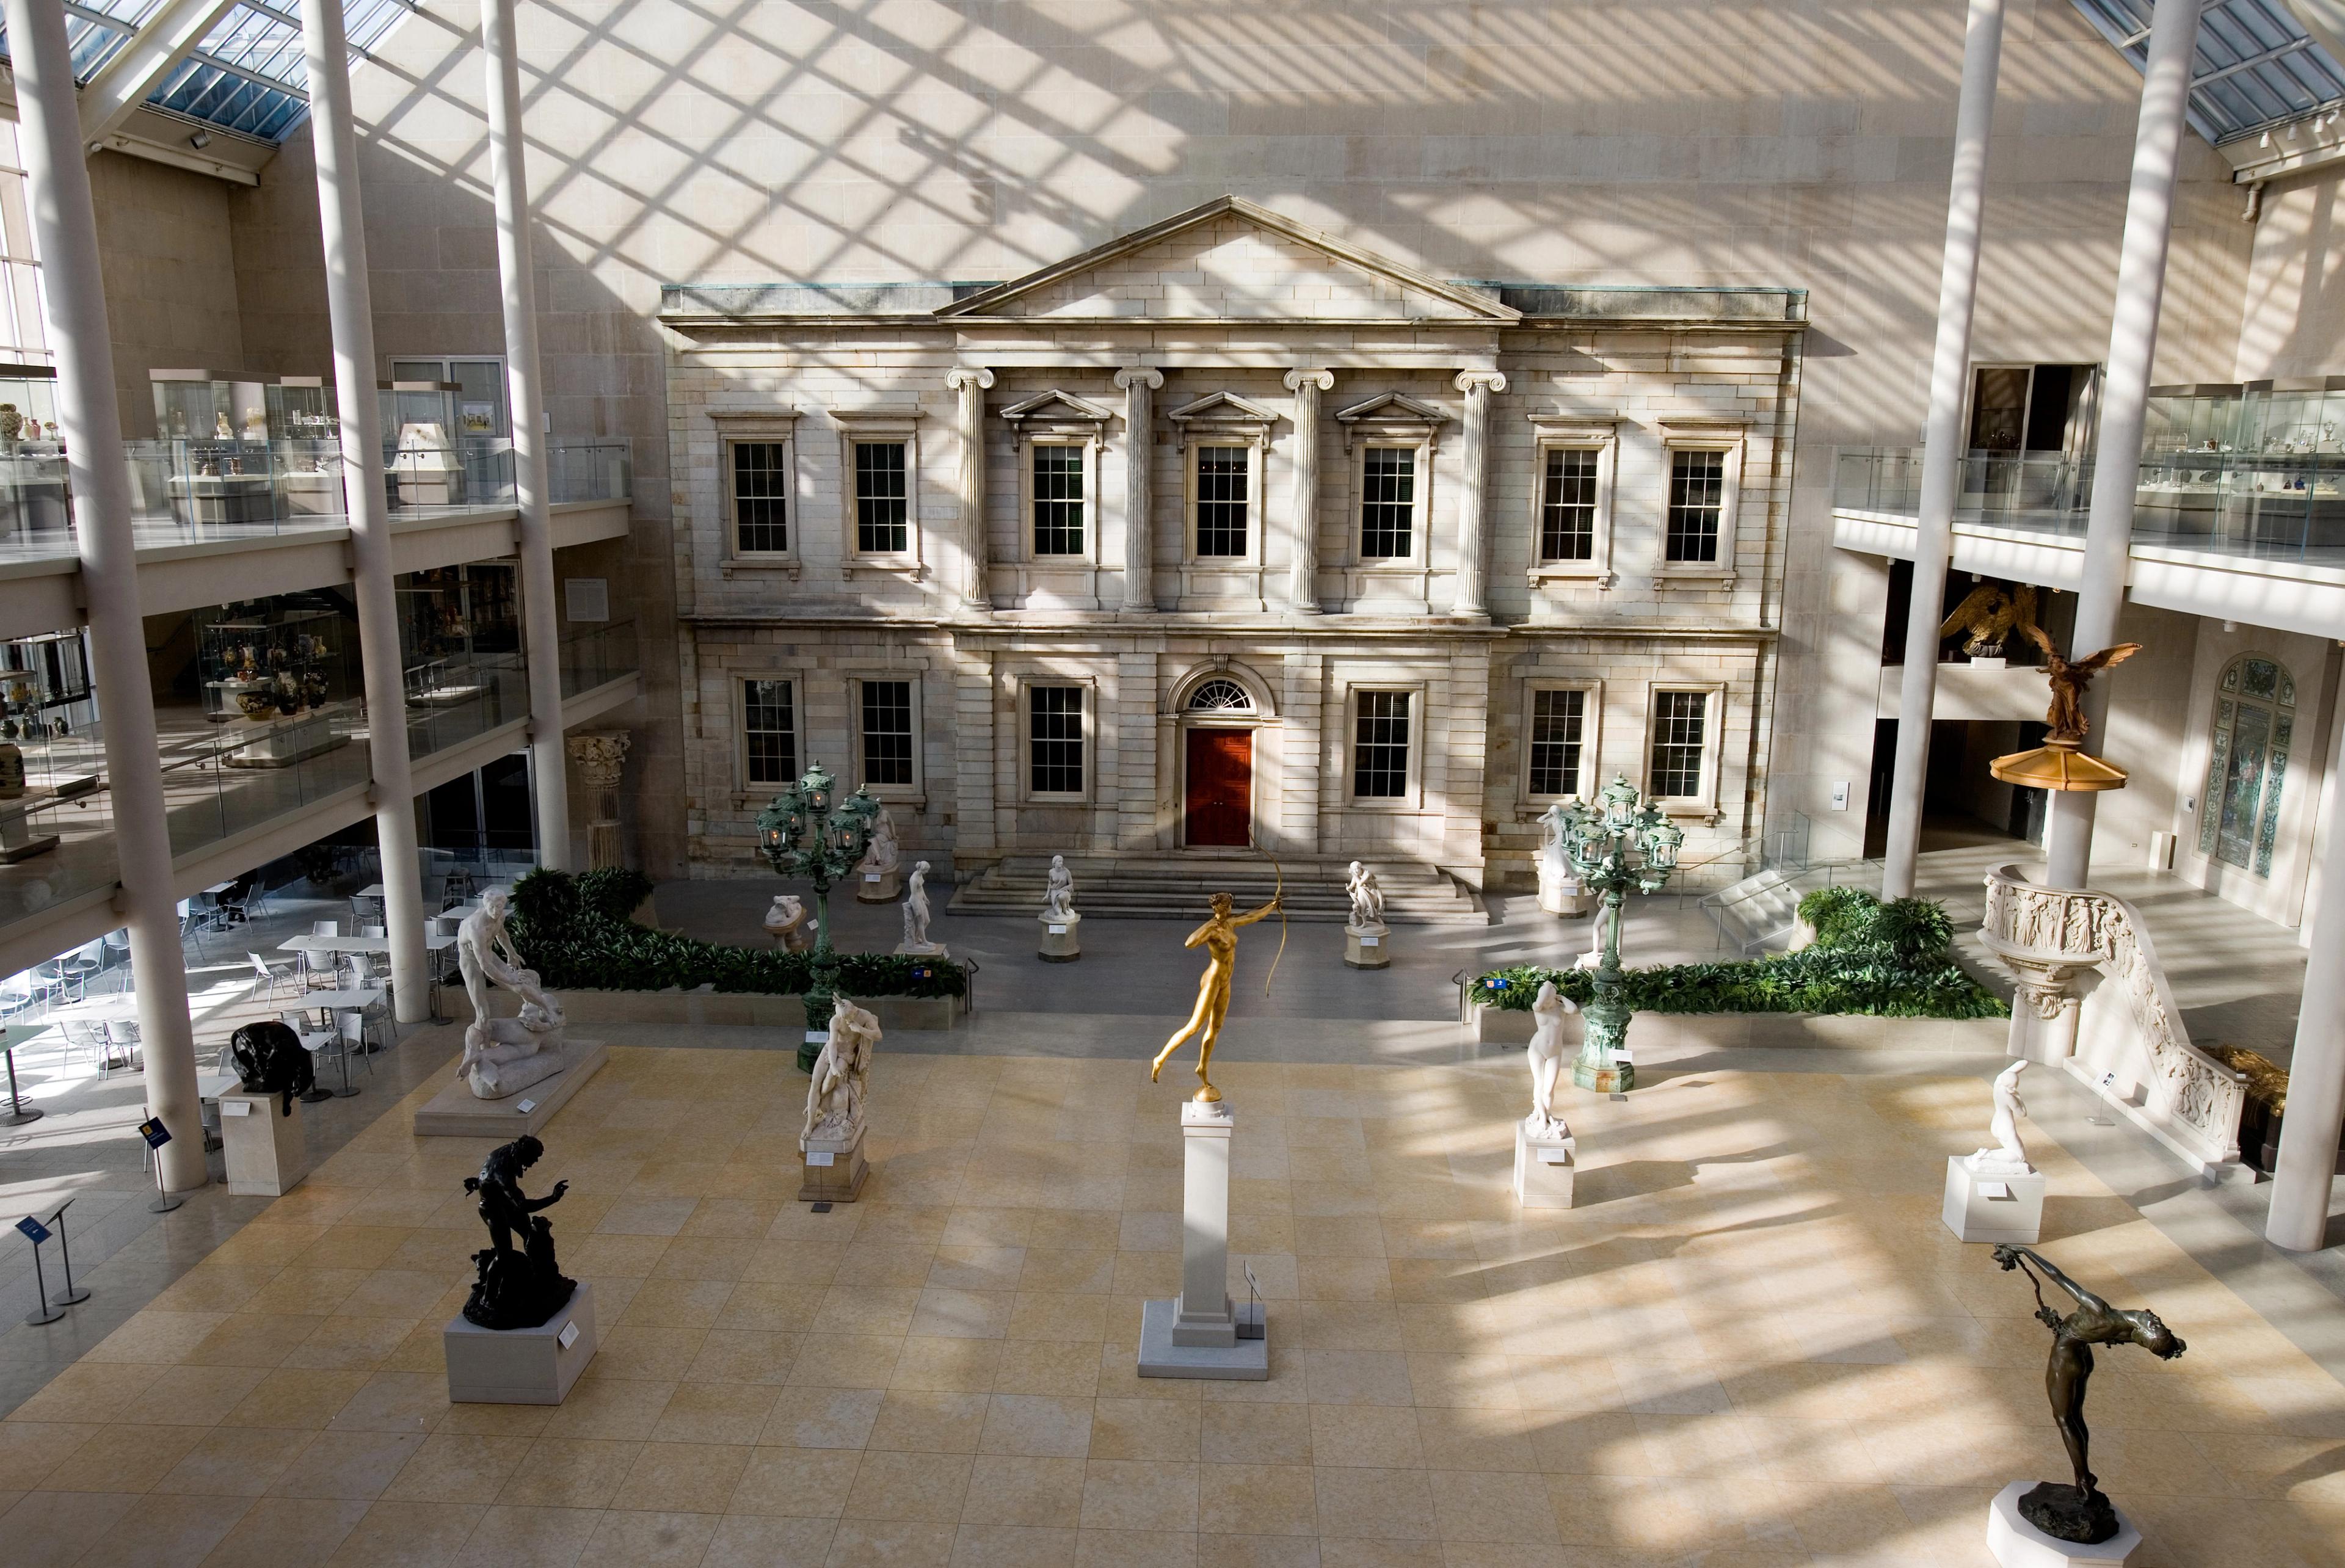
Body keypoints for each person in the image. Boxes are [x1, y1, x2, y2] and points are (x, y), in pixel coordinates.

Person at [1994, 1244, 2185, 1514]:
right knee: (2077, 1417)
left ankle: (2083, 1477)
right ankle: (2082, 1477)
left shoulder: (2102, 1311)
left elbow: (2057, 1277)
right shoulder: (2128, 1331)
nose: (2152, 1317)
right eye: (2156, 1322)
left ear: (2141, 1328)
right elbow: (2164, 1343)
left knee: (2063, 1419)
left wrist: (2026, 1252)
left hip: (2067, 1358)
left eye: (2153, 1323)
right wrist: (2171, 1342)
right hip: (2084, 1360)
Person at [1150, 889, 1279, 1103]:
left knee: (1215, 1028)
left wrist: (1272, 906)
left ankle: (1202, 1067)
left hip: (1225, 981)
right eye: (1229, 907)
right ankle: (1160, 1058)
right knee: (1194, 1027)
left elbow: (1251, 917)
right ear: (1224, 908)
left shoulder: (1230, 923)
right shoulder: (1213, 929)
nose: (1232, 910)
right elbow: (1189, 943)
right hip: (1212, 980)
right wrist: (1208, 927)